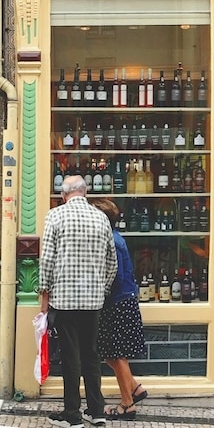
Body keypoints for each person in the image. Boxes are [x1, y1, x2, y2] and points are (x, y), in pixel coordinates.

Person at [39, 175, 117, 428]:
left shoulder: (55, 216)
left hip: (64, 301)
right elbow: (111, 263)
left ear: (64, 195)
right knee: (91, 356)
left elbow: (47, 260)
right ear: (85, 192)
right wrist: (100, 290)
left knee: (71, 358)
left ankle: (72, 415)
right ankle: (97, 411)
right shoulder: (101, 218)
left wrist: (44, 294)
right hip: (93, 302)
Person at [94, 199, 147, 421]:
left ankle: (127, 404)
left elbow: (114, 276)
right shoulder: (115, 238)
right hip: (123, 299)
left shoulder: (112, 242)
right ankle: (135, 388)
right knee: (111, 354)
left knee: (115, 355)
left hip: (117, 301)